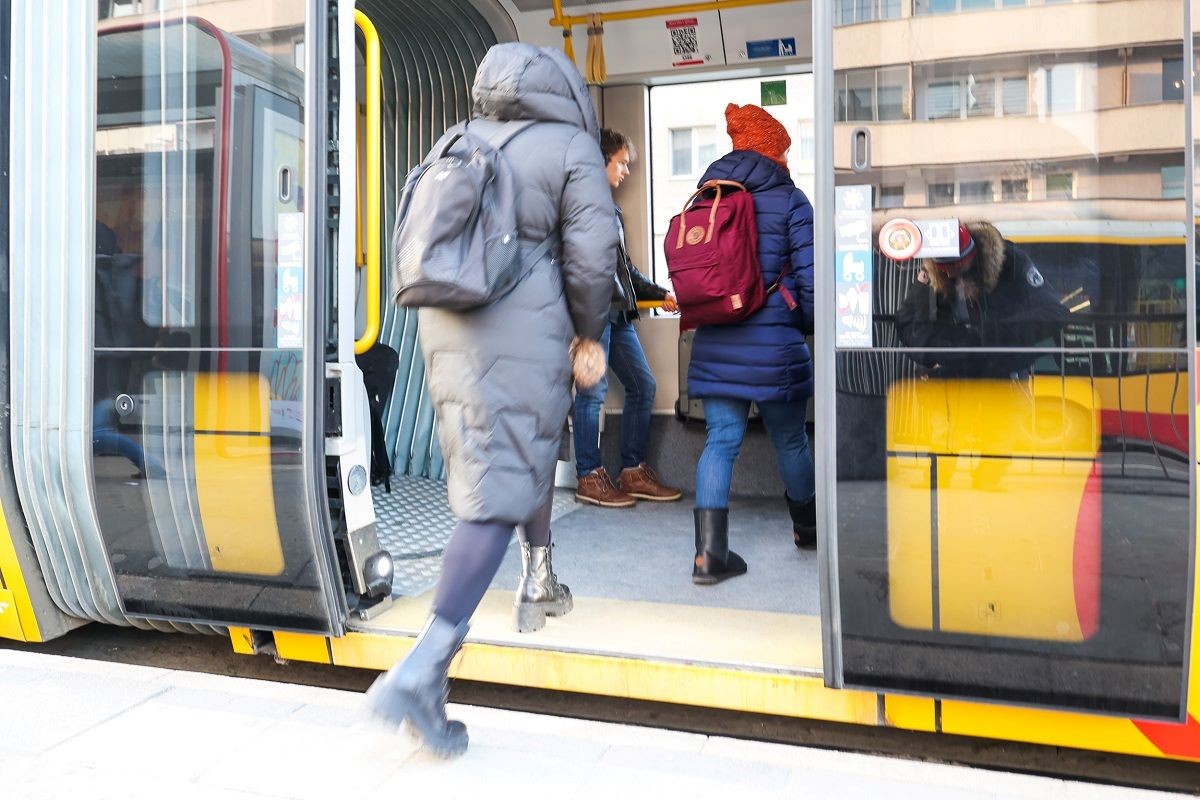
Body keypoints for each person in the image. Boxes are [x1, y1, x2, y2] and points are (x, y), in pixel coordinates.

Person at [364, 43, 617, 757]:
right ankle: (421, 668)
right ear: (564, 91)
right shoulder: (570, 147)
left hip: (446, 328)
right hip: (522, 326)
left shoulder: (458, 137)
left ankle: (534, 584)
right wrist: (588, 334)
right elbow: (594, 257)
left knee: (503, 463)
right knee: (496, 494)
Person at [687, 103, 817, 586]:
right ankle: (807, 530)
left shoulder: (706, 197)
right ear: (774, 151)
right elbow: (810, 280)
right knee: (790, 439)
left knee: (720, 442)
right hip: (773, 342)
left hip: (716, 339)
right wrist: (798, 326)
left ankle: (708, 556)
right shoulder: (792, 201)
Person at [572, 128, 683, 508]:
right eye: (621, 163)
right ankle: (588, 475)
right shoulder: (580, 208)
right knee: (592, 393)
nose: (626, 171)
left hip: (616, 313)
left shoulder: (609, 209)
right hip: (593, 314)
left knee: (643, 386)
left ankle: (632, 470)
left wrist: (660, 294)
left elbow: (625, 272)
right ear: (600, 161)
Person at [895, 221, 1069, 379]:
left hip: (1006, 379)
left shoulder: (1010, 262)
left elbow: (1054, 313)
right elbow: (909, 322)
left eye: (954, 265)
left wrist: (992, 335)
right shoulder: (933, 276)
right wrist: (942, 351)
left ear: (972, 256)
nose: (948, 273)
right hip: (951, 382)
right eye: (942, 268)